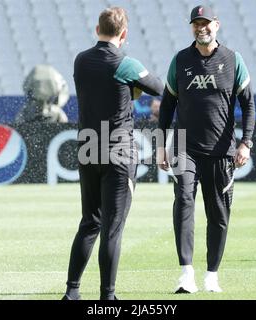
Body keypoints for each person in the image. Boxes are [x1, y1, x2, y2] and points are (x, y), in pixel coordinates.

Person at [63, 7, 163, 300]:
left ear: (97, 30)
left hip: (88, 149)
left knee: (89, 222)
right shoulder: (125, 63)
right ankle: (107, 297)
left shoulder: (80, 60)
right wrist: (134, 87)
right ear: (124, 34)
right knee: (112, 228)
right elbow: (158, 87)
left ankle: (71, 292)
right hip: (118, 152)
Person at [158, 5, 255, 293]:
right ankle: (186, 273)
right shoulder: (180, 61)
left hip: (222, 151)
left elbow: (248, 104)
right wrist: (162, 146)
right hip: (185, 148)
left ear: (217, 25)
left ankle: (212, 273)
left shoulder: (233, 59)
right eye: (196, 24)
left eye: (206, 23)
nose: (201, 28)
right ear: (191, 27)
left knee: (218, 214)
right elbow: (167, 106)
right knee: (184, 202)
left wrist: (246, 142)